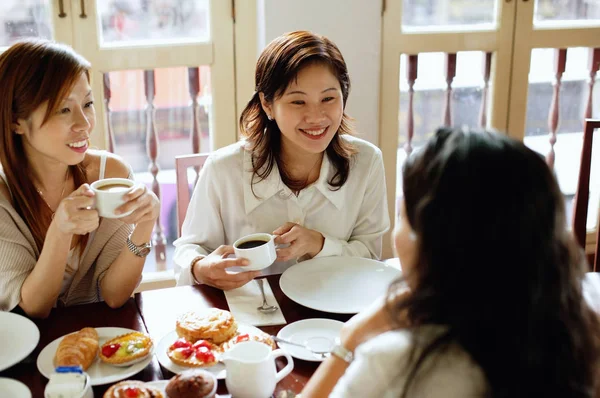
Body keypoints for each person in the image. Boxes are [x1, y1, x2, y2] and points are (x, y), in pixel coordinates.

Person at [302, 127, 600, 397]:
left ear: (434, 242)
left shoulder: (396, 362)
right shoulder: (584, 324)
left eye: (404, 216)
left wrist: (347, 342)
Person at [174, 30, 390, 290]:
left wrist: (319, 244)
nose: (316, 116)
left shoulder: (367, 162)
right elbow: (189, 249)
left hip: (334, 313)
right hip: (249, 319)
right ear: (267, 104)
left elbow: (370, 256)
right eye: (298, 101)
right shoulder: (223, 168)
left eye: (328, 98)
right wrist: (199, 267)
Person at [0, 40, 160, 318]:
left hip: (101, 343)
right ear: (16, 120)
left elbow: (114, 296)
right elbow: (33, 309)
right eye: (63, 109)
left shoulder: (111, 175)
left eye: (87, 103)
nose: (84, 123)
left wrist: (145, 226)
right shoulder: (4, 197)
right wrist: (60, 232)